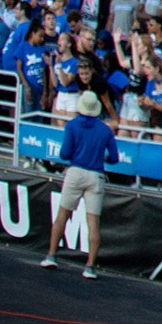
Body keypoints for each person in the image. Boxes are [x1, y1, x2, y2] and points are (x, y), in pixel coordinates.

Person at [41, 91, 120, 280]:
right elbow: (115, 158)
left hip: (75, 172)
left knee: (62, 215)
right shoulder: (105, 130)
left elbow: (64, 153)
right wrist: (102, 157)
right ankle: (90, 266)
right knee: (93, 222)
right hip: (95, 175)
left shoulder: (72, 125)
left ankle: (51, 255)